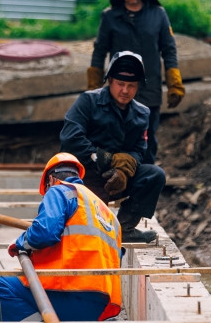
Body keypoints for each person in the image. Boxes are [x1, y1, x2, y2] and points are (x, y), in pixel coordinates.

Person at [0, 153, 122, 323]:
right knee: (33, 287)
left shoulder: (60, 191)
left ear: (50, 179)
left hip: (70, 292)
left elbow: (44, 233)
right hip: (100, 304)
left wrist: (21, 243)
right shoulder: (103, 209)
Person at [61, 51, 166, 243]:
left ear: (138, 86)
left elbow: (139, 150)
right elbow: (70, 138)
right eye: (120, 84)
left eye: (131, 86)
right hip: (84, 176)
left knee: (154, 175)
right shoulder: (88, 102)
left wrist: (124, 170)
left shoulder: (142, 114)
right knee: (86, 232)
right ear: (110, 80)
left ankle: (124, 229)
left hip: (114, 179)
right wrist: (105, 159)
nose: (125, 90)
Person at [87, 0, 184, 164]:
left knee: (146, 139)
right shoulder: (110, 17)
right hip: (117, 89)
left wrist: (174, 81)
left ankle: (144, 181)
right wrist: (93, 86)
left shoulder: (158, 15)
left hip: (149, 88)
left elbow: (169, 49)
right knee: (114, 137)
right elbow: (100, 51)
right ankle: (116, 181)